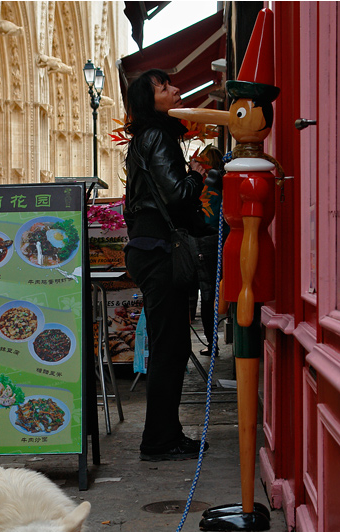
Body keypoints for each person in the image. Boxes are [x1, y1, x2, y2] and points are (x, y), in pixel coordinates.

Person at [123, 69, 211, 462]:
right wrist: (196, 177)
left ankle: (166, 434)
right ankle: (159, 440)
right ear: (150, 99)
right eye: (164, 87)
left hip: (150, 248)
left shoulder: (146, 138)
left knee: (169, 346)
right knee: (169, 348)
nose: (175, 89)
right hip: (161, 251)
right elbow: (176, 196)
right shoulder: (158, 136)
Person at [191, 145, 225, 355]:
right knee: (215, 291)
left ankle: (212, 344)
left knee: (207, 293)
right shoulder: (223, 182)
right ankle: (213, 342)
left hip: (204, 239)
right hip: (223, 239)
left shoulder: (203, 185)